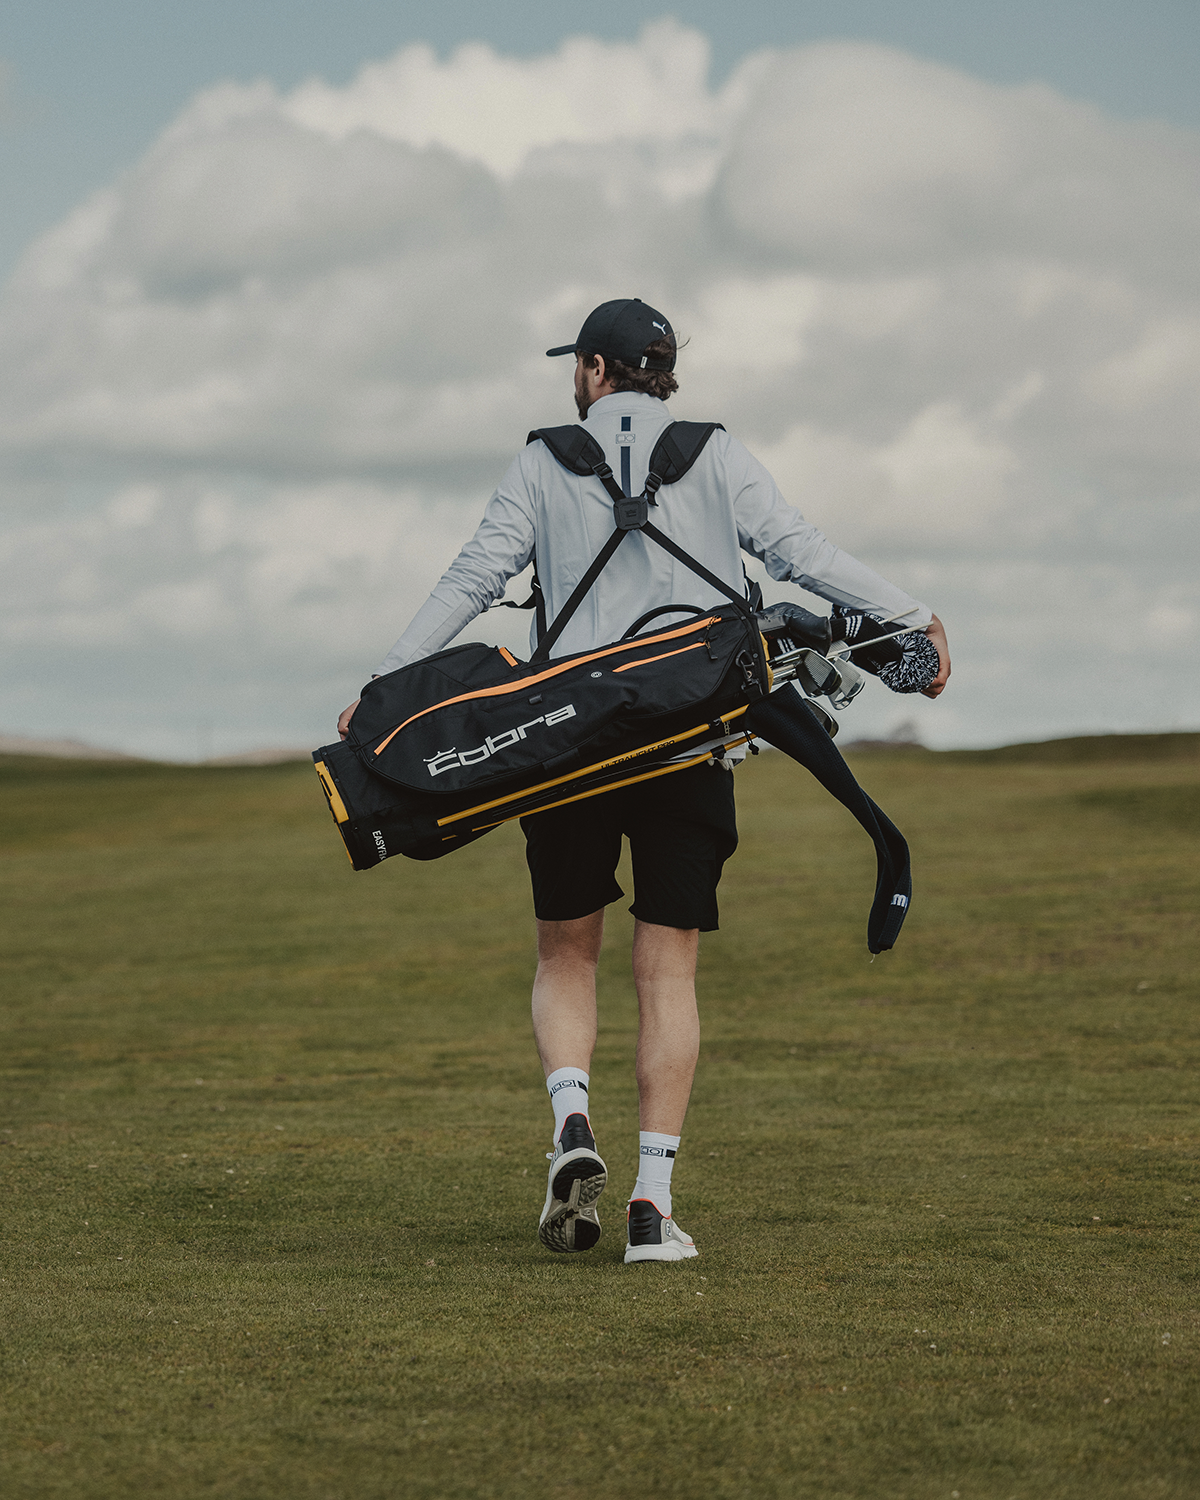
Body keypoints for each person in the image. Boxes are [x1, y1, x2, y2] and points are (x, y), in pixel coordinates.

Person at [338, 297, 950, 1264]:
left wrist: (384, 690)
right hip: (690, 744)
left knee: (565, 956)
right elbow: (802, 553)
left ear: (591, 370)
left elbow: (471, 577)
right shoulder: (716, 452)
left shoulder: (543, 460)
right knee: (665, 970)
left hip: (568, 750)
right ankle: (651, 1206)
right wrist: (911, 614)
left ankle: (571, 1124)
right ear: (663, 373)